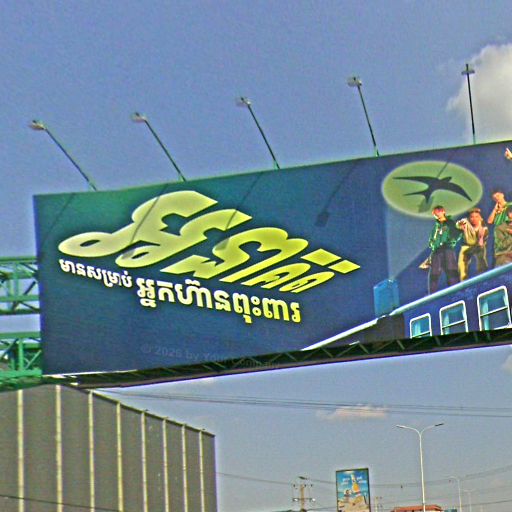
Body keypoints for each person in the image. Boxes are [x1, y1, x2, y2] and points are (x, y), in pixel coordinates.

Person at [427, 205, 461, 293]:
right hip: (437, 251)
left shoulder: (450, 223)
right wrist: (433, 245)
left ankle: (456, 291)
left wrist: (450, 241)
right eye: (434, 214)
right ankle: (432, 294)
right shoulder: (436, 227)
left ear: (443, 211)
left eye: (438, 212)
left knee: (451, 271)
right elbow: (431, 240)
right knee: (434, 273)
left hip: (447, 249)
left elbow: (456, 235)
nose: (436, 215)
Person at [455, 207, 488, 280]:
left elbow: (481, 243)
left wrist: (481, 238)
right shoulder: (466, 223)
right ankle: (463, 280)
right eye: (472, 217)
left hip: (478, 246)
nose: (474, 219)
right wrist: (460, 225)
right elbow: (458, 224)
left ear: (480, 218)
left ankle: (483, 276)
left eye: (476, 217)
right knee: (462, 263)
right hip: (467, 246)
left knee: (481, 259)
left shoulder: (483, 228)